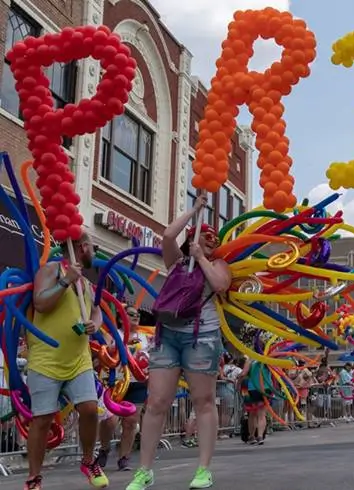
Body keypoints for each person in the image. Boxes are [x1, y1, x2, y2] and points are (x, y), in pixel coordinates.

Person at [126, 193, 231, 490]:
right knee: (156, 400)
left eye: (214, 240)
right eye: (206, 236)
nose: (211, 240)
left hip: (202, 336)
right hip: (167, 335)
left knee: (204, 401)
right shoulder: (176, 261)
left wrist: (202, 257)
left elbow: (222, 285)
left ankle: (203, 469)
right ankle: (144, 470)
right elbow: (168, 234)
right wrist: (194, 210)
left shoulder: (219, 264)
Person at [25, 232, 108, 490]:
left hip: (79, 359)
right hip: (46, 360)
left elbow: (96, 310)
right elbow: (40, 303)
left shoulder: (85, 282)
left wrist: (96, 322)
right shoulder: (51, 270)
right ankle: (34, 478)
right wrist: (64, 282)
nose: (95, 251)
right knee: (42, 419)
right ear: (82, 247)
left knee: (90, 409)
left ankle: (87, 461)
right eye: (93, 247)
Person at [97, 305, 151, 471]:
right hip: (116, 383)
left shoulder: (145, 337)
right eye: (132, 314)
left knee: (131, 422)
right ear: (121, 318)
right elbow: (104, 352)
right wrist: (121, 344)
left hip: (137, 383)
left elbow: (150, 358)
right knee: (110, 420)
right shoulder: (113, 335)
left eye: (138, 315)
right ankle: (104, 448)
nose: (136, 317)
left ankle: (124, 458)